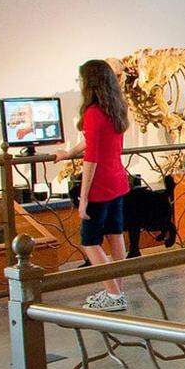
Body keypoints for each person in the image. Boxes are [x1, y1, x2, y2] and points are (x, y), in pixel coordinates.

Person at [55, 60, 131, 311]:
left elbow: (92, 158)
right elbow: (92, 141)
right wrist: (68, 153)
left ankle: (113, 294)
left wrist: (84, 197)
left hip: (101, 187)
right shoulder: (116, 108)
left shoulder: (93, 113)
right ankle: (117, 292)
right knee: (115, 235)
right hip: (118, 180)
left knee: (89, 241)